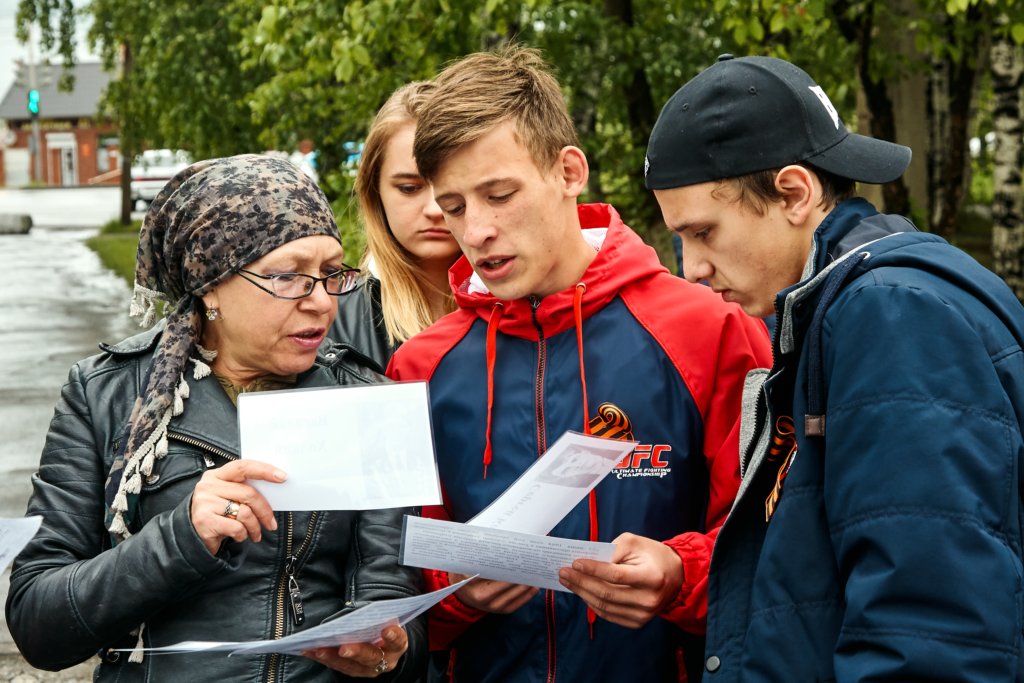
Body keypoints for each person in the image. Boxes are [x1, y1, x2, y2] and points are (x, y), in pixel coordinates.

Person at [387, 46, 772, 682]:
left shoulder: (710, 330)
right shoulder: (419, 367)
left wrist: (680, 575)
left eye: (499, 195)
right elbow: (387, 585)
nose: (476, 231)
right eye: (453, 207)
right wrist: (454, 591)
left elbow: (774, 539)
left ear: (569, 172)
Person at [645, 54, 1024, 682]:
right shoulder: (842, 308)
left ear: (794, 194)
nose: (692, 268)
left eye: (704, 232)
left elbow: (928, 628)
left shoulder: (892, 316)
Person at [6, 154, 426, 682]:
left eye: (328, 274)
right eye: (288, 277)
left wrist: (387, 652)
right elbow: (38, 624)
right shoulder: (106, 394)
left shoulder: (365, 399)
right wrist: (181, 537)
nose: (322, 302)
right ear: (210, 284)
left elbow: (396, 603)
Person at [331, 81, 461, 371]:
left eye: (449, 187)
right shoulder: (328, 320)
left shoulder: (531, 303)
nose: (434, 209)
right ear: (375, 191)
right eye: (409, 188)